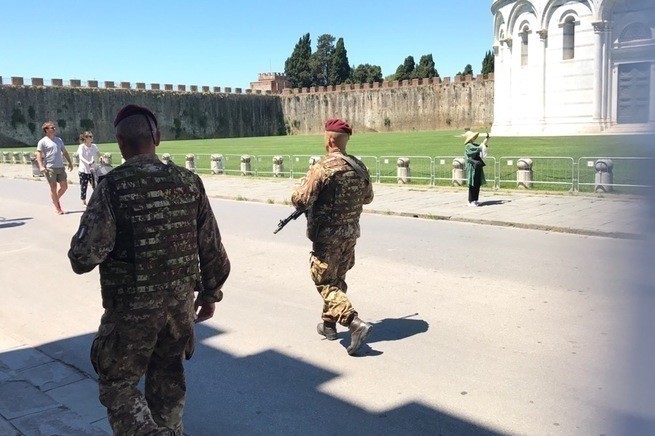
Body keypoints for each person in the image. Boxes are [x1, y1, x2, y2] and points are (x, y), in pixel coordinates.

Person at [68, 104, 231, 435]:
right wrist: (210, 294)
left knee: (118, 386)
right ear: (156, 137)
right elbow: (212, 248)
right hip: (179, 310)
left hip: (132, 313)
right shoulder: (189, 182)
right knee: (168, 379)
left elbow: (83, 257)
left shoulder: (112, 187)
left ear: (120, 143)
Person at [291, 118, 375, 356]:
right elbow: (368, 198)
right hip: (350, 233)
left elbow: (301, 200)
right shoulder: (358, 166)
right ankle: (329, 325)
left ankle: (353, 323)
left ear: (329, 139)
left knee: (324, 281)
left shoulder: (322, 167)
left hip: (327, 236)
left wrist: (299, 189)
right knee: (337, 279)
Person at [35, 121, 73, 214]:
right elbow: (38, 154)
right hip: (50, 167)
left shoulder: (58, 140)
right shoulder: (42, 141)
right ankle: (58, 208)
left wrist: (70, 162)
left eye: (54, 127)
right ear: (46, 130)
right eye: (52, 127)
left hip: (60, 167)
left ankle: (55, 199)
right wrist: (41, 166)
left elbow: (64, 151)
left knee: (64, 187)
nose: (54, 129)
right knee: (53, 187)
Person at [464, 130, 490, 206]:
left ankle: (475, 200)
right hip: (472, 167)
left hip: (477, 165)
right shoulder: (468, 146)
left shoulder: (473, 144)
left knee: (477, 183)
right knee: (472, 184)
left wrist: (487, 139)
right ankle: (470, 201)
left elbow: (481, 146)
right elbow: (479, 148)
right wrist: (485, 141)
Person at [76, 131, 100, 206]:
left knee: (95, 186)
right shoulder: (82, 147)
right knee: (84, 186)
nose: (92, 138)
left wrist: (101, 158)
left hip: (93, 170)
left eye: (92, 136)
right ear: (85, 138)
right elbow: (81, 157)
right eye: (90, 136)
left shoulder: (94, 146)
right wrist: (88, 162)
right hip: (83, 170)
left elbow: (98, 154)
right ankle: (83, 201)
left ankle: (97, 200)